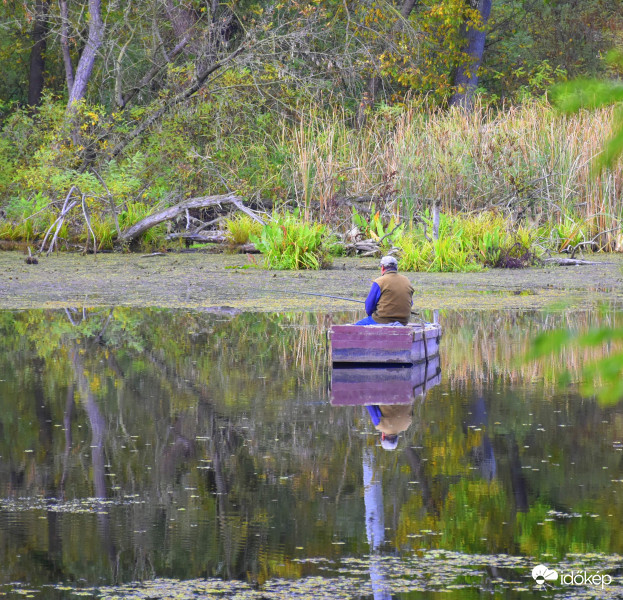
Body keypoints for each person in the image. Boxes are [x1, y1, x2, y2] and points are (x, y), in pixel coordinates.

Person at [356, 255, 414, 326]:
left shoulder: (379, 281)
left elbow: (369, 307)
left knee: (356, 326)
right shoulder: (406, 281)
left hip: (382, 321)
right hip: (403, 322)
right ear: (396, 268)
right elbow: (410, 303)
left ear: (382, 267)